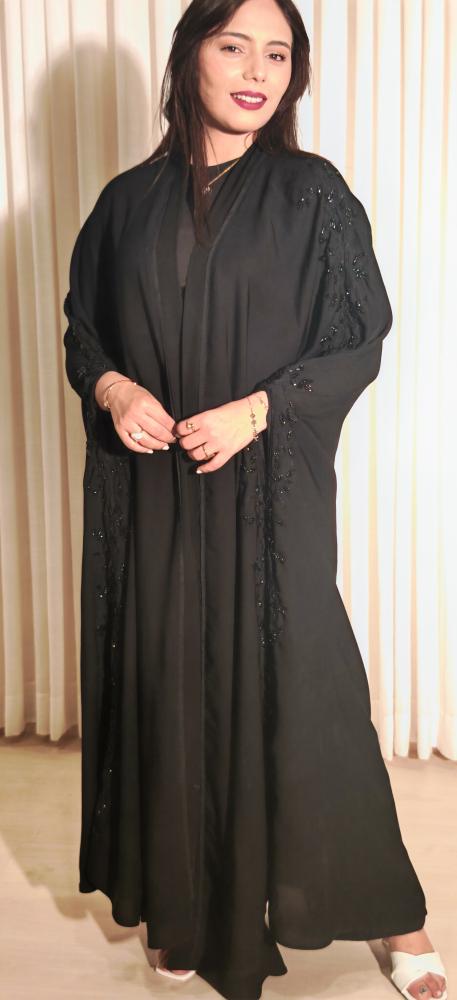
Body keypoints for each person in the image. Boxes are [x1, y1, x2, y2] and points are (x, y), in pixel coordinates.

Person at [62, 1, 448, 999]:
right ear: (188, 56)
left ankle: (395, 919)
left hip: (266, 496)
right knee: (168, 683)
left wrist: (259, 410)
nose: (255, 71)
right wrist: (113, 391)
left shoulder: (310, 192)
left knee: (309, 691)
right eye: (233, 46)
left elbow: (358, 335)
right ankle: (187, 904)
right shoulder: (124, 203)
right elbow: (83, 329)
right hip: (156, 495)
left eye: (277, 54)